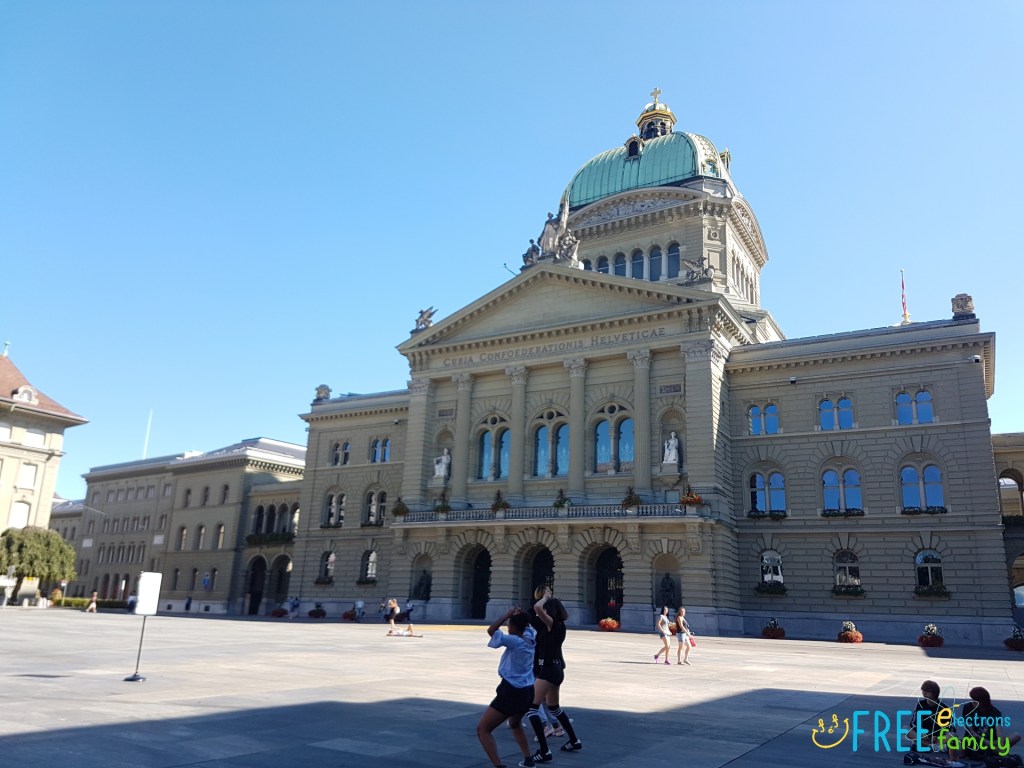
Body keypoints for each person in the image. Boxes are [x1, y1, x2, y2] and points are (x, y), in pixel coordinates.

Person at [525, 587, 583, 761]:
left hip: (549, 670)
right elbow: (531, 615)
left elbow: (536, 609)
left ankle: (544, 751)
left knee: (531, 708)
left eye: (547, 609)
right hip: (556, 669)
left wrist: (545, 597)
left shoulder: (552, 626)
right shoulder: (552, 626)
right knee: (554, 708)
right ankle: (574, 740)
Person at [476, 606, 537, 768]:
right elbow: (527, 625)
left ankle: (498, 766)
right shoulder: (531, 638)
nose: (508, 628)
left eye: (510, 625)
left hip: (511, 691)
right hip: (528, 691)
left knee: (483, 729)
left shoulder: (515, 641)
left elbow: (491, 631)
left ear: (514, 627)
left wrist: (507, 615)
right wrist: (519, 617)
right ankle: (528, 759)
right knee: (515, 723)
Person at [959, 686, 1021, 760]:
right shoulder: (968, 707)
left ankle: (998, 752)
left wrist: (1000, 745)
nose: (972, 702)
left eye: (974, 700)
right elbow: (971, 731)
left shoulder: (994, 713)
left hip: (992, 742)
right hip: (975, 741)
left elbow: (999, 733)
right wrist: (986, 741)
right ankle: (998, 754)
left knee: (1016, 736)